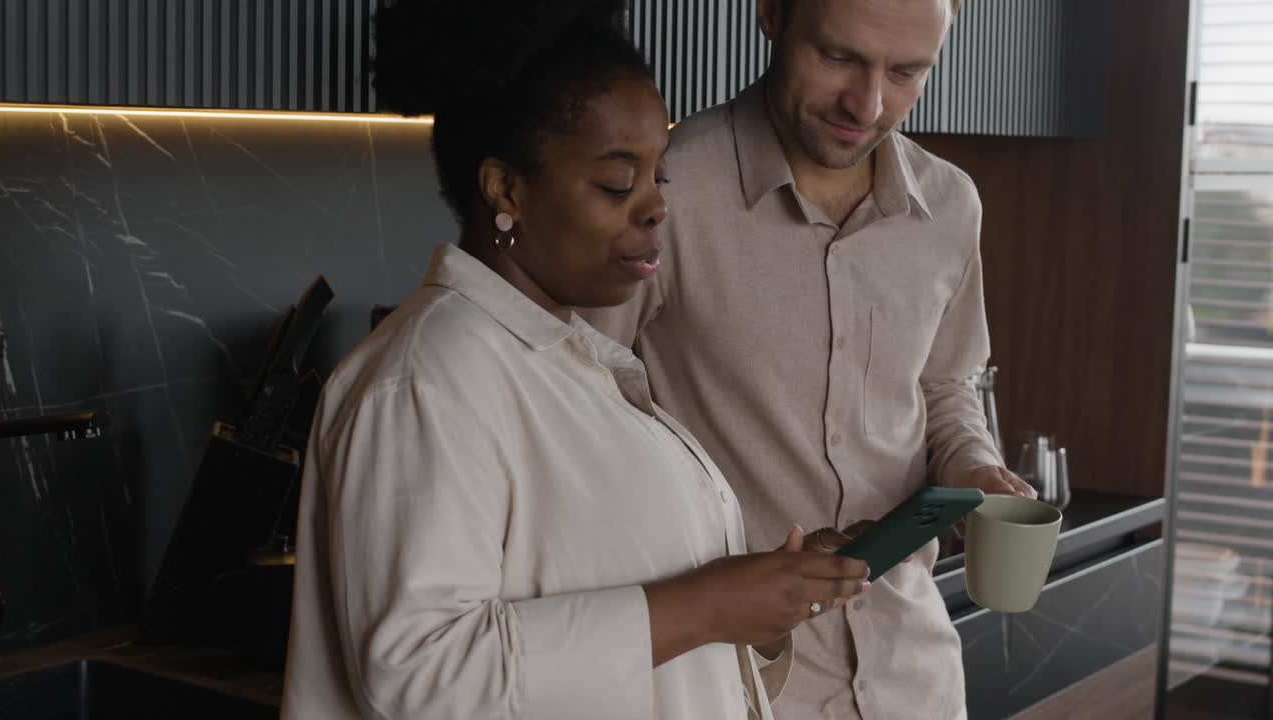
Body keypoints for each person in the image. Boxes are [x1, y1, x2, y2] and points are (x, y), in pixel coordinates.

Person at [280, 2, 871, 718]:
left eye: (659, 177)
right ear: (505, 189)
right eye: (619, 184)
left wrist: (766, 597)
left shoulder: (577, 364)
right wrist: (708, 606)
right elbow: (419, 678)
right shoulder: (426, 381)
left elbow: (650, 634)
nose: (654, 208)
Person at [583, 1, 1037, 718]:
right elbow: (579, 415)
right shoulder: (665, 192)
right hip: (729, 685)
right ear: (772, 15)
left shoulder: (950, 205)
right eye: (840, 57)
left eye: (908, 72)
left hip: (914, 675)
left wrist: (974, 469)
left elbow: (945, 385)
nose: (869, 103)